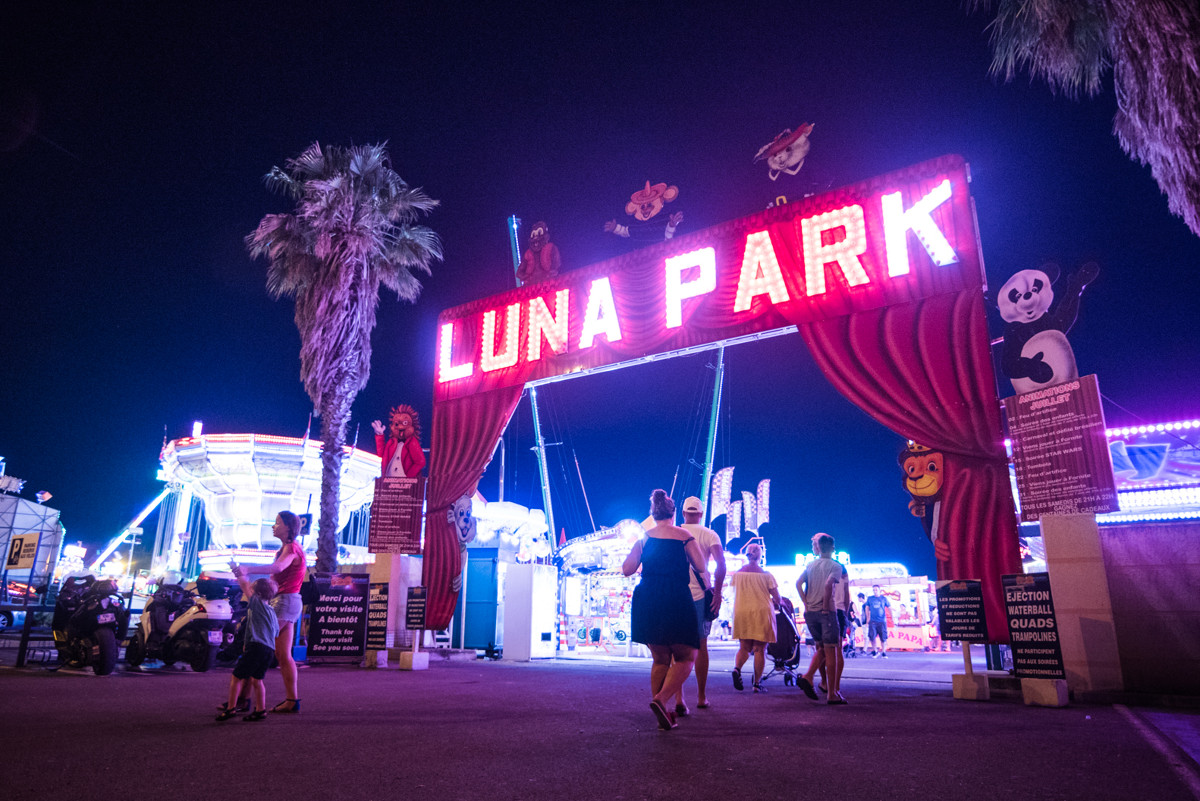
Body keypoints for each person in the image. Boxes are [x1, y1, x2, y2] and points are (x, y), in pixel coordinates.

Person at [623, 489, 711, 731]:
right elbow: (701, 565)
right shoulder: (683, 536)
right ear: (673, 515)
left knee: (660, 658)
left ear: (653, 514)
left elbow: (627, 569)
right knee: (686, 656)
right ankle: (661, 700)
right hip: (675, 596)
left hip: (648, 597)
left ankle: (662, 713)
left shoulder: (644, 539)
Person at [676, 495, 726, 714]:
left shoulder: (675, 532)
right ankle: (701, 696)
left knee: (676, 647)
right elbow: (721, 564)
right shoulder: (709, 534)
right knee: (701, 646)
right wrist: (718, 592)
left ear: (683, 513)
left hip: (676, 595)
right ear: (701, 514)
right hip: (698, 596)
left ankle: (679, 698)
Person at [257, 511, 306, 713]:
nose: (273, 526)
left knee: (257, 645)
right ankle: (292, 700)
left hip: (285, 601)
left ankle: (242, 699)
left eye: (277, 522)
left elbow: (278, 568)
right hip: (288, 601)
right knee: (282, 654)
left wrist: (247, 569)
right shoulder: (289, 547)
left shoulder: (291, 548)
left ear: (288, 526)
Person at [217, 575, 279, 722]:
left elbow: (244, 585)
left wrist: (239, 572)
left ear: (257, 594)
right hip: (268, 650)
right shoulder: (271, 611)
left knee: (236, 677)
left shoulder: (258, 605)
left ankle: (231, 709)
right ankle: (260, 710)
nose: (248, 592)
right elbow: (275, 632)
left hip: (256, 648)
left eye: (252, 590)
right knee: (257, 680)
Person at [796, 533, 848, 705]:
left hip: (810, 612)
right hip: (827, 613)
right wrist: (826, 607)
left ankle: (810, 677)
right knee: (831, 651)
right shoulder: (835, 566)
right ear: (832, 548)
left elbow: (798, 583)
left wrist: (805, 602)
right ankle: (831, 693)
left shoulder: (810, 565)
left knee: (821, 649)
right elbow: (828, 585)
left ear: (819, 547)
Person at [729, 541, 780, 694]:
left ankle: (737, 669)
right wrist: (778, 603)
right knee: (759, 649)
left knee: (744, 647)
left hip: (742, 611)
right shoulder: (766, 575)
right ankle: (757, 684)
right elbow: (777, 598)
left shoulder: (738, 574)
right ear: (760, 556)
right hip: (761, 612)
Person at [371, 405, 426, 478]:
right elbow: (382, 454)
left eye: (405, 423)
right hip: (388, 480)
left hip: (403, 482)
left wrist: (408, 477)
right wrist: (379, 435)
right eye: (396, 424)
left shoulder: (412, 442)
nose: (400, 426)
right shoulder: (391, 442)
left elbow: (420, 462)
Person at [865, 584, 891, 658]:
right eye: (874, 590)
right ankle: (875, 651)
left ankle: (884, 652)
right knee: (872, 637)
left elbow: (889, 607)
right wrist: (867, 618)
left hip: (882, 621)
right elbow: (867, 608)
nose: (875, 591)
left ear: (879, 590)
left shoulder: (884, 598)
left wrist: (892, 617)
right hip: (872, 621)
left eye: (876, 590)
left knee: (883, 638)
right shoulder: (870, 598)